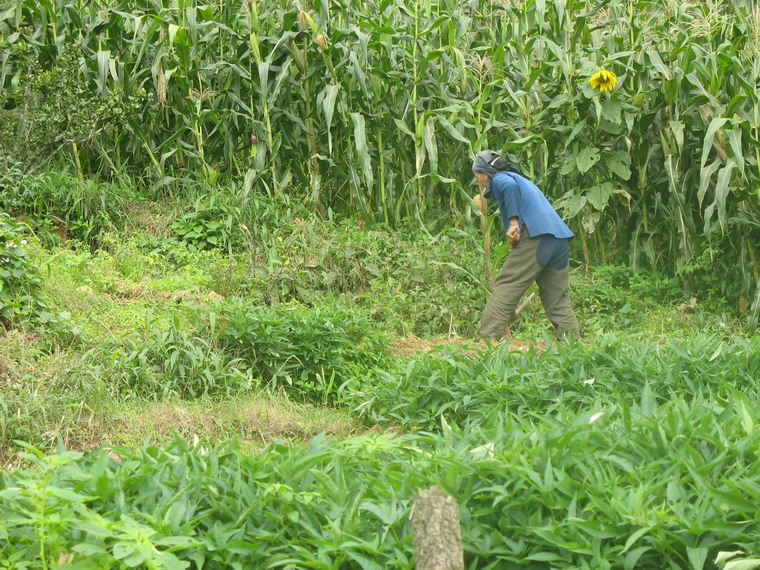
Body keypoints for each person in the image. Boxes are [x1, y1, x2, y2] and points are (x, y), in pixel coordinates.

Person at [472, 149, 581, 341]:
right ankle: (572, 345)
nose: (479, 181)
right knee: (556, 297)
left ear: (485, 173)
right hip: (559, 238)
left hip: (537, 236)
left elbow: (508, 186)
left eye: (477, 176)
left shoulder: (501, 178)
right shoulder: (520, 179)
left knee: (507, 286)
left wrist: (513, 222)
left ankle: (485, 341)